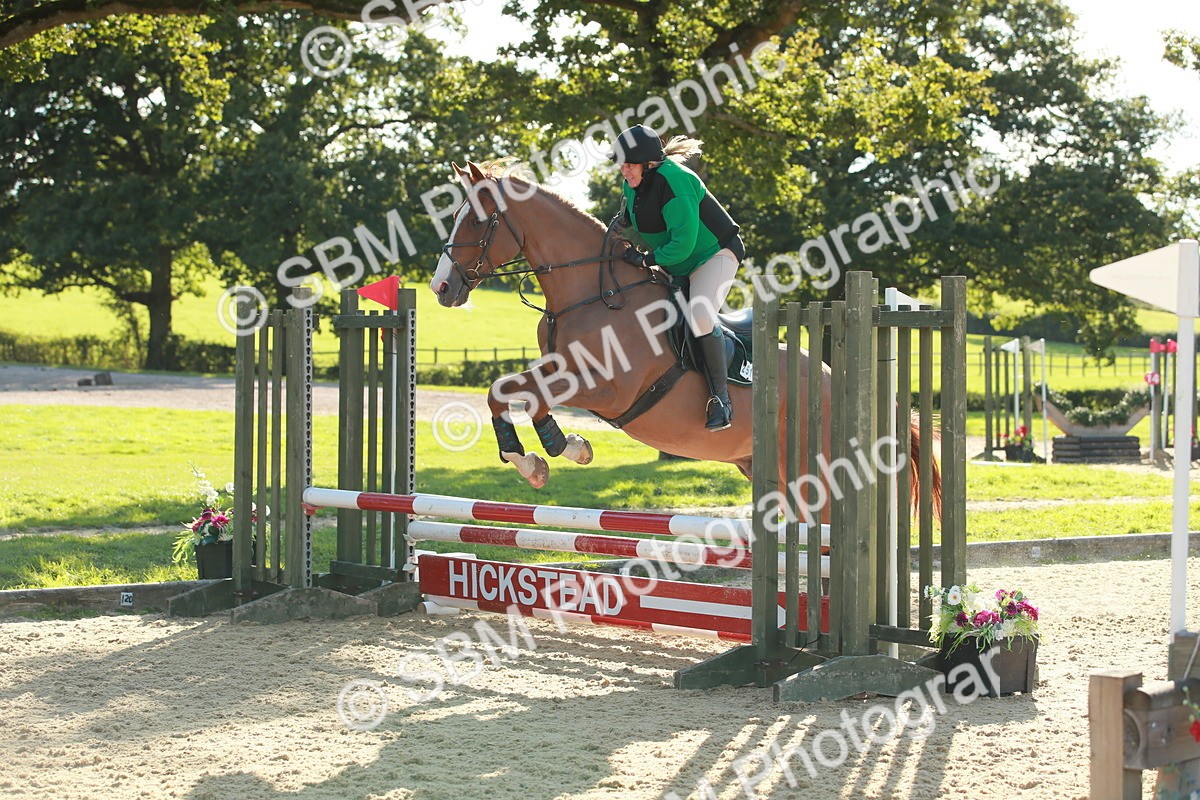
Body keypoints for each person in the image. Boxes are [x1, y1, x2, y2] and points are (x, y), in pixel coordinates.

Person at [608, 123, 745, 432]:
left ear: (648, 164)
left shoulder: (676, 181)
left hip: (714, 256)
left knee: (699, 315)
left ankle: (721, 400)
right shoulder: (633, 184)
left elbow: (682, 244)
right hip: (677, 262)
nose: (624, 170)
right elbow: (635, 222)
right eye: (622, 163)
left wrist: (646, 259)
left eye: (629, 164)